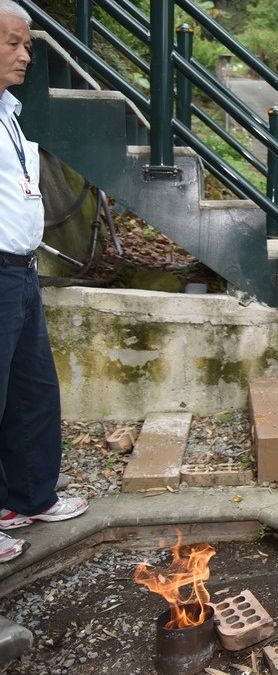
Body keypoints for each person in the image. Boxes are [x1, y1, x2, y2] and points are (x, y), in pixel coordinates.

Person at [0, 0, 89, 562]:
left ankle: (27, 496)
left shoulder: (7, 109)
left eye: (27, 44)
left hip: (20, 273)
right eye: (13, 43)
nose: (25, 55)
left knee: (33, 393)